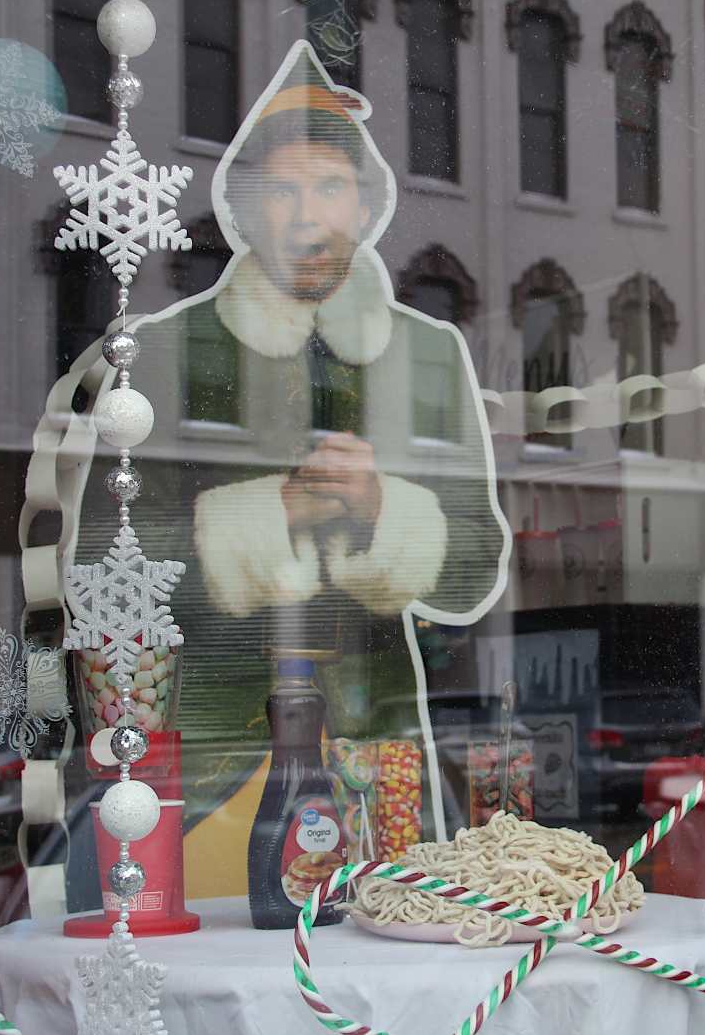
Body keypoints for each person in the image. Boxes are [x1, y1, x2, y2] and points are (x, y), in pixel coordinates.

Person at [69, 44, 509, 840]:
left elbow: (477, 564)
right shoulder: (165, 349)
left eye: (329, 187)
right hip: (212, 750)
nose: (308, 214)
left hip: (376, 748)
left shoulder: (430, 352)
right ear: (245, 211)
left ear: (365, 208)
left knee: (382, 910)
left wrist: (382, 511)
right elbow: (104, 568)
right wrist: (270, 513)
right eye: (282, 190)